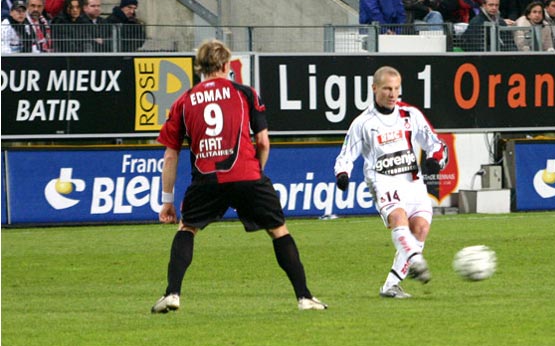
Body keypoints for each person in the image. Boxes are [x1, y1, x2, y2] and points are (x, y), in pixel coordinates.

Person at [150, 39, 327, 313]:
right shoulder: (245, 93)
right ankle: (304, 297)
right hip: (247, 174)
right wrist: (256, 172)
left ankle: (172, 293)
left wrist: (167, 201)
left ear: (200, 66)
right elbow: (264, 142)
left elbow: (170, 155)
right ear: (225, 65)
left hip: (206, 179)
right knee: (278, 230)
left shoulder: (183, 102)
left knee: (187, 229)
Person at [334, 66, 448, 299]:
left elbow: (435, 144)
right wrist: (342, 174)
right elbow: (346, 154)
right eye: (387, 88)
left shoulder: (410, 115)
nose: (392, 93)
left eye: (396, 88)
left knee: (421, 229)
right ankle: (417, 261)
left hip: (413, 182)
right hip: (383, 182)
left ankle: (391, 285)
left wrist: (435, 161)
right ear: (375, 88)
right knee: (398, 219)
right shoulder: (363, 123)